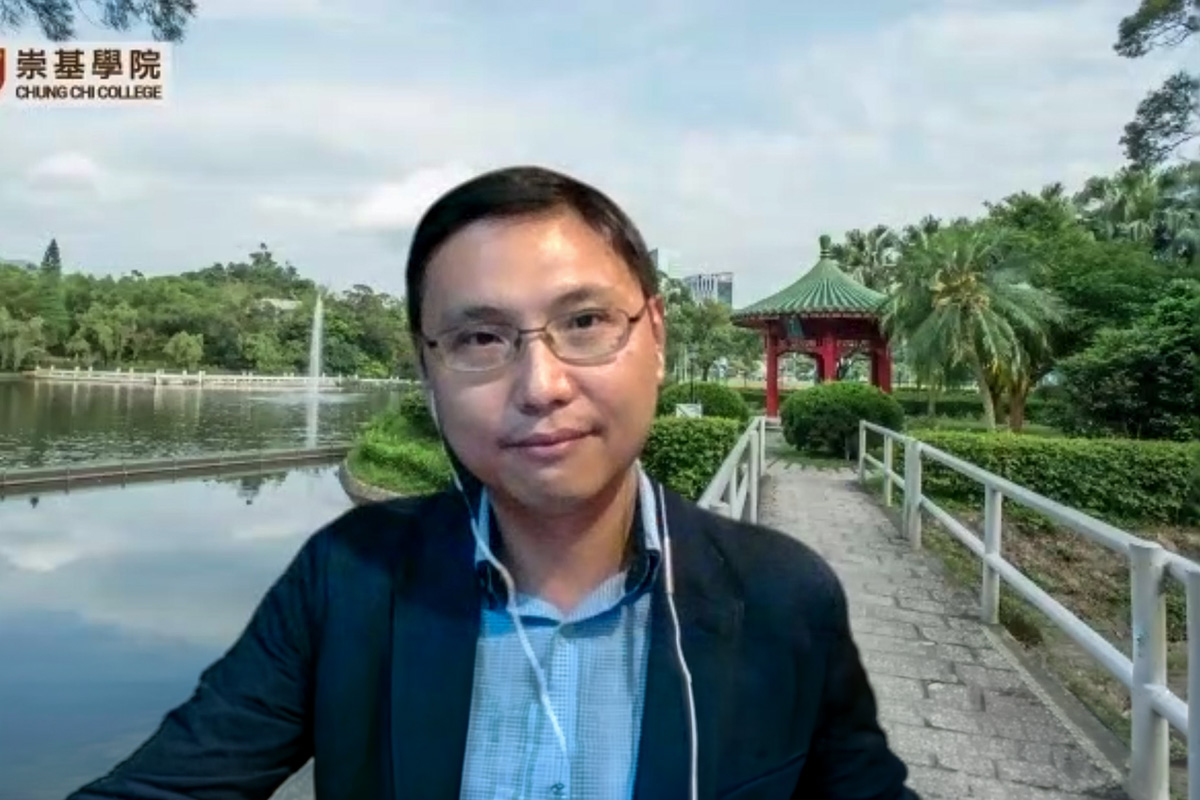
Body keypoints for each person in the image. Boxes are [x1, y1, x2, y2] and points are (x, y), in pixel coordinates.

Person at [66, 165, 918, 800]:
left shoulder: (782, 596)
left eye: (585, 322)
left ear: (656, 337)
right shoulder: (351, 580)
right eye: (480, 339)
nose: (541, 385)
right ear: (427, 369)